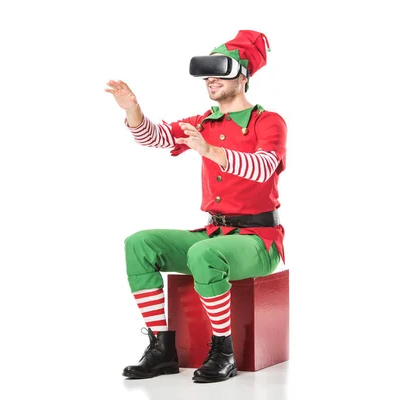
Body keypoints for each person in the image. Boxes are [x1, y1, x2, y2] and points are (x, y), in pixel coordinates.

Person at [105, 30, 287, 383]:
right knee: (140, 243)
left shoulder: (268, 122)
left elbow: (264, 166)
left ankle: (224, 351)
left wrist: (210, 152)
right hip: (213, 232)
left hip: (258, 239)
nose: (211, 79)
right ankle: (162, 350)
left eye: (220, 70)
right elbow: (155, 137)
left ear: (244, 75)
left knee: (206, 255)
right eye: (207, 72)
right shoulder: (205, 121)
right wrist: (133, 111)